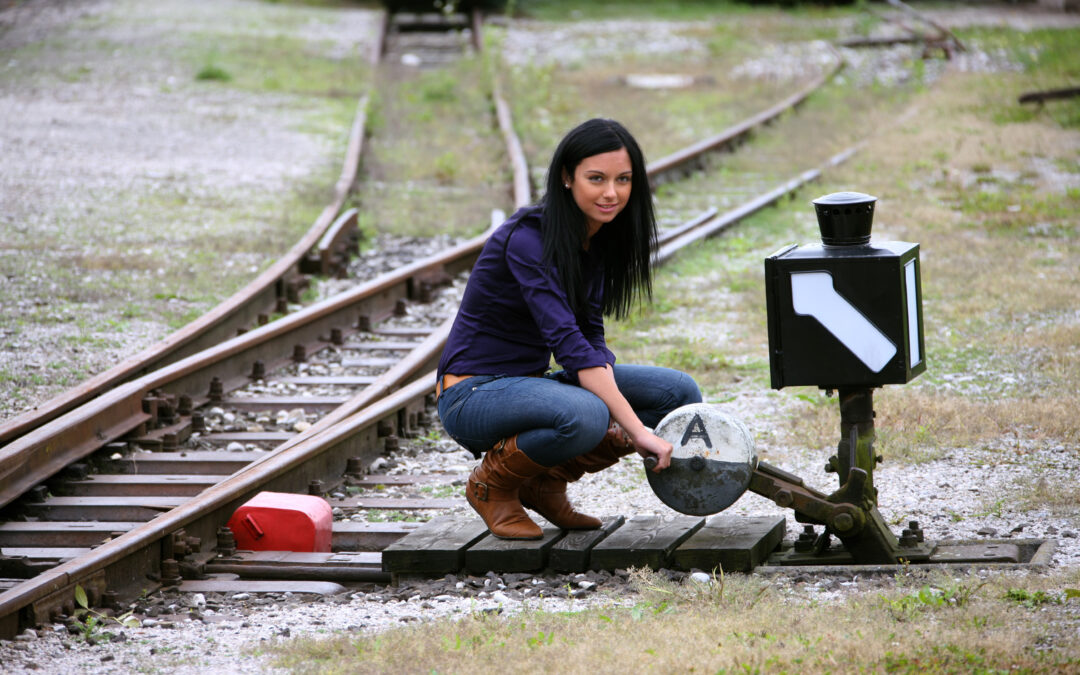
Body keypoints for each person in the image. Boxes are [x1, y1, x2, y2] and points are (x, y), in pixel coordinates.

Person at [436, 118, 702, 540]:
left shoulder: (592, 241)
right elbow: (570, 347)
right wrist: (635, 430)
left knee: (677, 393)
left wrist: (621, 404)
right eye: (596, 179)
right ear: (566, 177)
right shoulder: (527, 239)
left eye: (623, 179)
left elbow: (589, 338)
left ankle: (544, 480)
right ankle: (492, 485)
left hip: (529, 386)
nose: (611, 193)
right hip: (472, 393)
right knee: (588, 414)